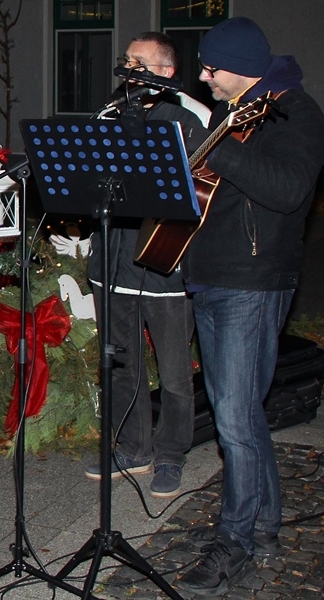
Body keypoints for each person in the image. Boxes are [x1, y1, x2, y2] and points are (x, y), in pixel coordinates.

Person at [173, 17, 324, 597]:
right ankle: (263, 526)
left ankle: (233, 542)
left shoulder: (293, 113)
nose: (204, 77)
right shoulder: (234, 111)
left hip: (254, 281)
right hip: (212, 275)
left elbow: (287, 191)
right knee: (239, 414)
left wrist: (218, 147)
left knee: (235, 419)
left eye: (213, 68)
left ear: (243, 67)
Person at [83, 32, 210, 499]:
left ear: (166, 72)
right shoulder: (110, 113)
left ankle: (171, 452)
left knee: (175, 372)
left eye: (141, 62)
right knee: (121, 363)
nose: (130, 68)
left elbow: (203, 191)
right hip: (113, 263)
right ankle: (133, 447)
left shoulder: (191, 117)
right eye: (128, 60)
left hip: (163, 264)